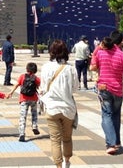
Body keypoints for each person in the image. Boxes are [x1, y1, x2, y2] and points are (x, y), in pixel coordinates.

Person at [90, 31, 123, 157]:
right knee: (116, 115)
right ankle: (117, 142)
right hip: (118, 90)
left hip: (104, 88)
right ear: (121, 41)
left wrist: (96, 51)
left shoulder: (101, 53)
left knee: (106, 115)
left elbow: (93, 68)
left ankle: (111, 144)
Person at [40, 39, 77, 168]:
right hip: (68, 108)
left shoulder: (46, 67)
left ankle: (58, 166)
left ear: (52, 52)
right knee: (67, 138)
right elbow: (75, 88)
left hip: (51, 107)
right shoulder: (71, 68)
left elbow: (43, 86)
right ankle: (67, 161)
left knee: (55, 140)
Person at [6, 62, 41, 142]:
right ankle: (34, 126)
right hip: (33, 99)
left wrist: (11, 92)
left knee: (23, 116)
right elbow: (40, 88)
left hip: (23, 99)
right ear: (35, 70)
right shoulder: (36, 78)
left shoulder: (22, 76)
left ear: (27, 69)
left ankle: (22, 133)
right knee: (34, 113)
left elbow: (16, 85)